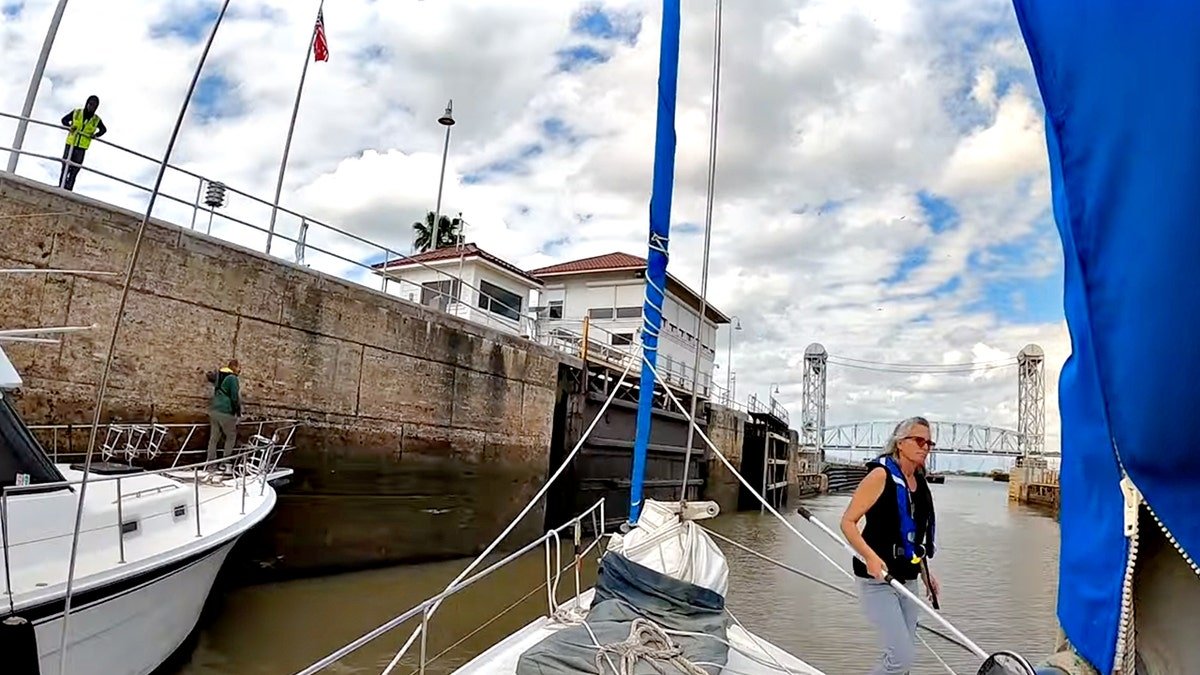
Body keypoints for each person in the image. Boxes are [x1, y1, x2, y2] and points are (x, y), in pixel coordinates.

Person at [840, 416, 939, 675]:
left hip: (908, 579)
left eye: (929, 442)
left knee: (904, 656)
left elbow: (915, 537)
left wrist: (927, 574)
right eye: (919, 440)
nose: (925, 447)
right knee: (900, 657)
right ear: (900, 443)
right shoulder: (880, 476)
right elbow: (848, 523)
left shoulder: (920, 483)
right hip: (877, 581)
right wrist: (870, 558)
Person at [59, 95, 107, 191]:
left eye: (94, 106)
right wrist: (69, 126)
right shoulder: (77, 112)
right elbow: (64, 120)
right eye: (91, 104)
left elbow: (103, 130)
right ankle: (60, 187)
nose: (92, 107)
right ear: (87, 103)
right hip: (70, 144)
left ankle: (68, 190)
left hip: (81, 148)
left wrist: (95, 135)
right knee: (65, 167)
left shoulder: (96, 119)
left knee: (75, 170)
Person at [206, 359, 241, 464]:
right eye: (239, 368)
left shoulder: (219, 376)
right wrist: (237, 412)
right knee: (231, 436)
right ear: (234, 367)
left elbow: (210, 376)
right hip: (225, 411)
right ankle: (225, 462)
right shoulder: (232, 378)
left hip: (214, 410)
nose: (240, 371)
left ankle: (210, 463)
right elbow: (234, 396)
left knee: (214, 438)